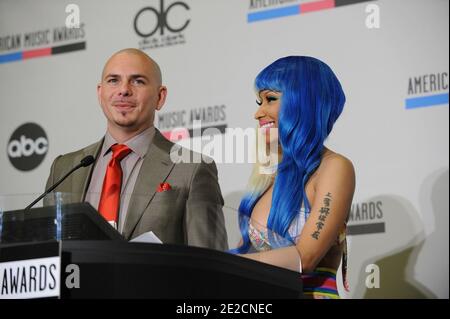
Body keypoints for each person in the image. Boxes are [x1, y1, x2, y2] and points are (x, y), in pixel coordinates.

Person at [45, 48, 228, 251]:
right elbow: (48, 252)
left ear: (160, 97)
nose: (123, 90)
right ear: (100, 92)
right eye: (113, 80)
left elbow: (211, 263)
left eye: (138, 81)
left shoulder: (191, 169)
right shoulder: (63, 169)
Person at [232, 56, 355, 299]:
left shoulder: (335, 167)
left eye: (270, 99)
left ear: (303, 103)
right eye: (259, 101)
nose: (258, 113)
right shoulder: (269, 177)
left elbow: (306, 257)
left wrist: (226, 263)